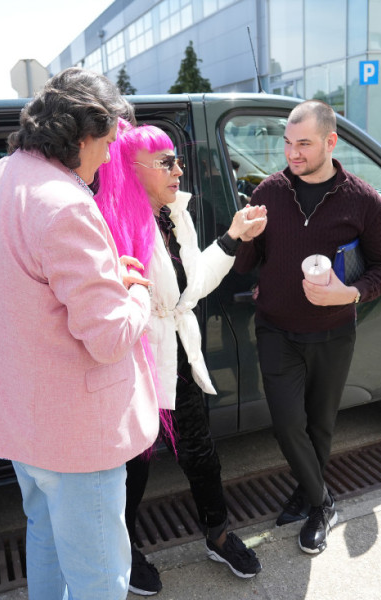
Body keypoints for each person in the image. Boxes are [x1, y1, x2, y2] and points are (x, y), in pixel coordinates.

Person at [0, 68, 159, 600]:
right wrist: (137, 293)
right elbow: (110, 337)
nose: (107, 158)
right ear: (84, 134)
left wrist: (103, 277)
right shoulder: (63, 201)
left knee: (45, 537)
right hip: (76, 431)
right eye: (107, 143)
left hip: (19, 418)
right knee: (100, 573)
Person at [95, 121, 267, 595]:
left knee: (200, 452)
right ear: (132, 168)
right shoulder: (109, 224)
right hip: (135, 360)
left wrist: (233, 236)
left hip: (178, 352)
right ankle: (126, 550)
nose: (179, 170)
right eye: (166, 162)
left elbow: (190, 287)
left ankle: (218, 534)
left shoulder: (174, 215)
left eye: (178, 160)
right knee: (133, 466)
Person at [234, 100, 381, 555]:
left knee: (320, 425)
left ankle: (307, 495)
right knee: (289, 425)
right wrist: (244, 238)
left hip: (334, 332)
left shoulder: (363, 199)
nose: (292, 153)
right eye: (288, 143)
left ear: (331, 142)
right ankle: (323, 504)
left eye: (303, 144)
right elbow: (245, 266)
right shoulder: (269, 192)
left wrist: (350, 293)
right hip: (276, 329)